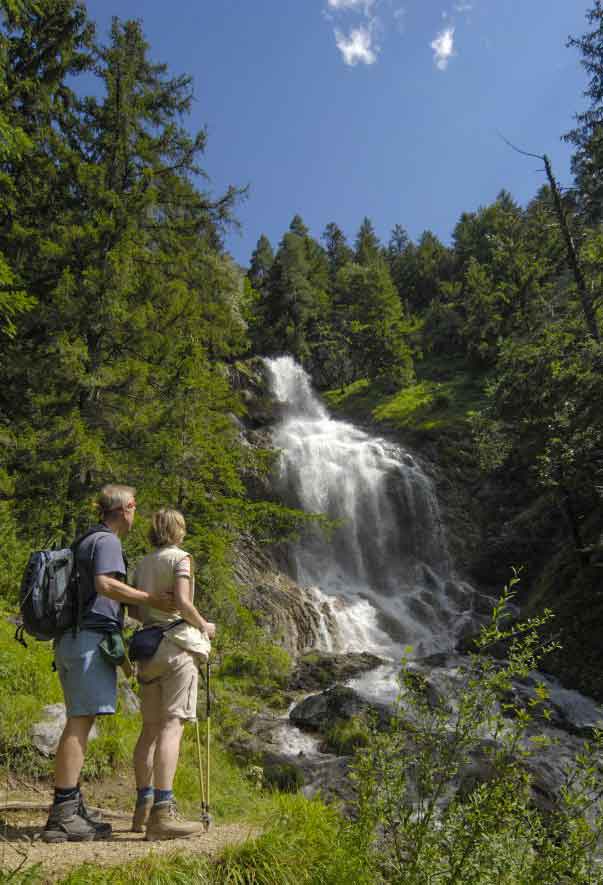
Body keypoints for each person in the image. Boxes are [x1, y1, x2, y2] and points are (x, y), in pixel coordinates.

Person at [42, 484, 176, 844]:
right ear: (127, 508)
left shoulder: (85, 539)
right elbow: (105, 585)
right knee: (80, 721)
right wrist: (153, 599)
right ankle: (64, 814)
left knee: (79, 719)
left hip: (72, 639)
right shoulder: (108, 542)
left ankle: (72, 805)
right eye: (135, 507)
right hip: (87, 641)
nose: (136, 515)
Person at [130, 507, 216, 841]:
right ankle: (163, 813)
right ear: (177, 530)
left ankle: (142, 807)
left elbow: (136, 610)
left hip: (147, 649)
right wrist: (204, 625)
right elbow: (182, 600)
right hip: (176, 646)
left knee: (148, 730)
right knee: (172, 726)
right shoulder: (182, 558)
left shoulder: (142, 563)